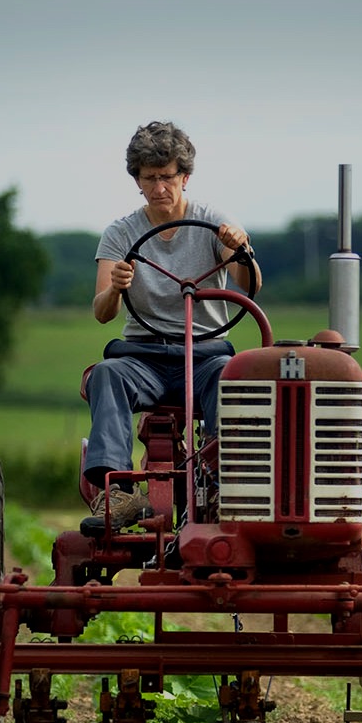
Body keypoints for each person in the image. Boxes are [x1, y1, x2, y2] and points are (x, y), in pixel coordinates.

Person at [83, 121, 262, 529]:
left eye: (167, 177)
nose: (160, 187)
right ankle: (119, 494)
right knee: (107, 374)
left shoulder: (214, 223)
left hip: (204, 355)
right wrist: (115, 288)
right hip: (143, 356)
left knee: (230, 377)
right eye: (150, 178)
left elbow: (250, 287)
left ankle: (222, 485)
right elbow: (102, 312)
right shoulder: (120, 233)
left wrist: (241, 251)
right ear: (138, 181)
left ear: (185, 177)